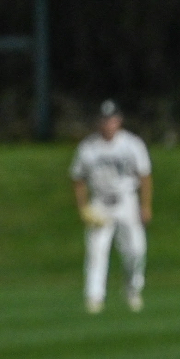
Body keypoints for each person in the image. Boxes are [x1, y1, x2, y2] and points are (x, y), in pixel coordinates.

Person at [70, 100, 153, 313]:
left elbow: (144, 176)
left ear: (119, 121)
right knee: (97, 251)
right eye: (104, 120)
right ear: (99, 122)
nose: (108, 124)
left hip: (127, 201)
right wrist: (83, 207)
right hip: (100, 202)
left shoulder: (132, 144)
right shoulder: (88, 148)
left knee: (135, 249)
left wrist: (145, 206)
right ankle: (94, 297)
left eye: (112, 119)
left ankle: (132, 290)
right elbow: (78, 178)